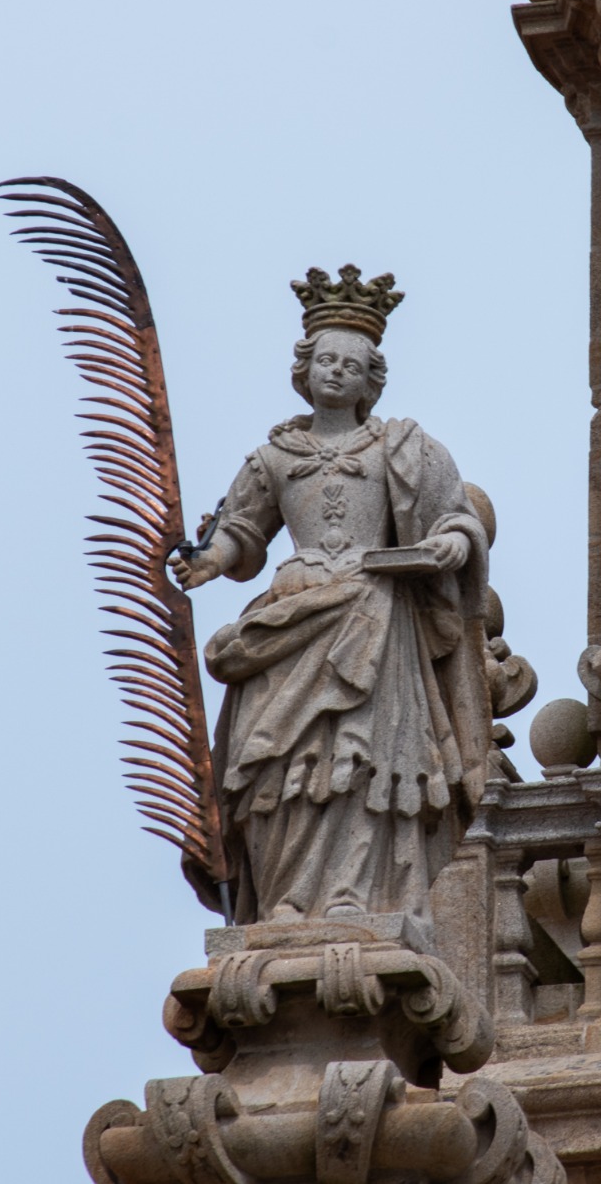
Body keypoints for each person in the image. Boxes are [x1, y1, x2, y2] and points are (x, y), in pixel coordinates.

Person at [171, 268, 490, 924]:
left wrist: (453, 545)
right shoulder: (274, 457)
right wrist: (209, 562)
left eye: (351, 364)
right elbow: (241, 531)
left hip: (375, 612)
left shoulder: (403, 447)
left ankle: (353, 891)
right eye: (325, 360)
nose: (336, 372)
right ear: (304, 369)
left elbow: (455, 517)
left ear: (371, 379)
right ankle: (287, 898)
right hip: (292, 614)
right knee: (274, 761)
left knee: (362, 758)